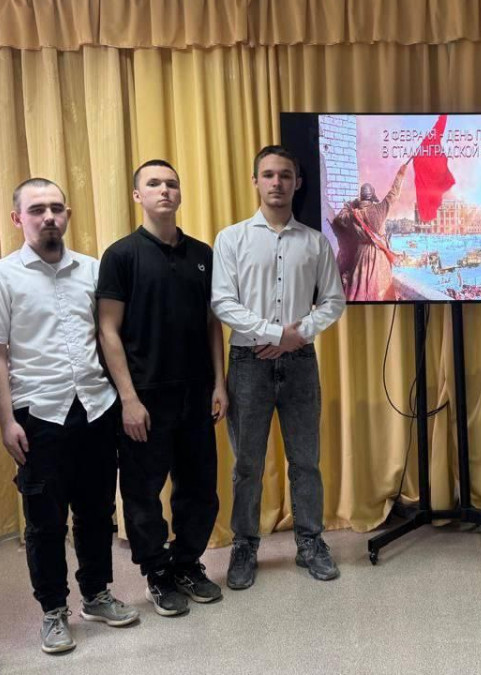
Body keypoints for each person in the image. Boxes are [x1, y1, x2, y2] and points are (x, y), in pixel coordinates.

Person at [0, 178, 139, 654]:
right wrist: (6, 421)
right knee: (45, 522)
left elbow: (107, 335)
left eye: (56, 208)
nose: (48, 217)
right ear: (18, 219)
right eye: (36, 209)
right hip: (37, 413)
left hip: (95, 407)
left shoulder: (92, 269)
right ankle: (53, 610)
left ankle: (97, 595)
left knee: (96, 511)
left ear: (67, 214)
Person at [212, 145, 346, 589]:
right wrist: (273, 333)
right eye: (268, 174)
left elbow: (334, 301)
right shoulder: (231, 239)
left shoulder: (315, 242)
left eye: (285, 175)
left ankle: (310, 542)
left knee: (306, 460)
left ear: (297, 183)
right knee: (247, 463)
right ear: (255, 181)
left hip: (300, 361)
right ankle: (245, 545)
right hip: (248, 362)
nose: (276, 182)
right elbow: (222, 302)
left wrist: (296, 334)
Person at [97, 160, 227, 616]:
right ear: (138, 195)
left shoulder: (202, 254)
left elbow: (212, 323)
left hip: (196, 392)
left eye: (172, 183)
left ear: (180, 193)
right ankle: (156, 572)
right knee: (143, 493)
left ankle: (188, 563)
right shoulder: (121, 256)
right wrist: (128, 399)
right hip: (145, 397)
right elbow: (108, 330)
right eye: (153, 183)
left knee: (200, 488)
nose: (164, 190)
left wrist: (220, 383)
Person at [330, 161, 408, 301]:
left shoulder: (352, 215)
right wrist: (401, 174)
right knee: (381, 293)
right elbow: (394, 193)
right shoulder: (379, 209)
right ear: (372, 197)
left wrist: (353, 204)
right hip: (379, 255)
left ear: (362, 197)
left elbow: (339, 219)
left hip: (361, 255)